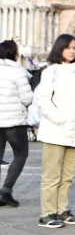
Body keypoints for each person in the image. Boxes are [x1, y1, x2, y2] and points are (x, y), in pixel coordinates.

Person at [36, 34, 75, 228]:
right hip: (55, 130)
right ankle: (47, 213)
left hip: (74, 131)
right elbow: (42, 99)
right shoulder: (51, 72)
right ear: (60, 49)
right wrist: (59, 118)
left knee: (67, 175)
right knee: (51, 175)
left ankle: (62, 209)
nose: (72, 51)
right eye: (68, 47)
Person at [0, 40, 33, 207]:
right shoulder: (18, 71)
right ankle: (6, 191)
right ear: (15, 54)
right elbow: (27, 98)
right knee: (20, 154)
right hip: (14, 123)